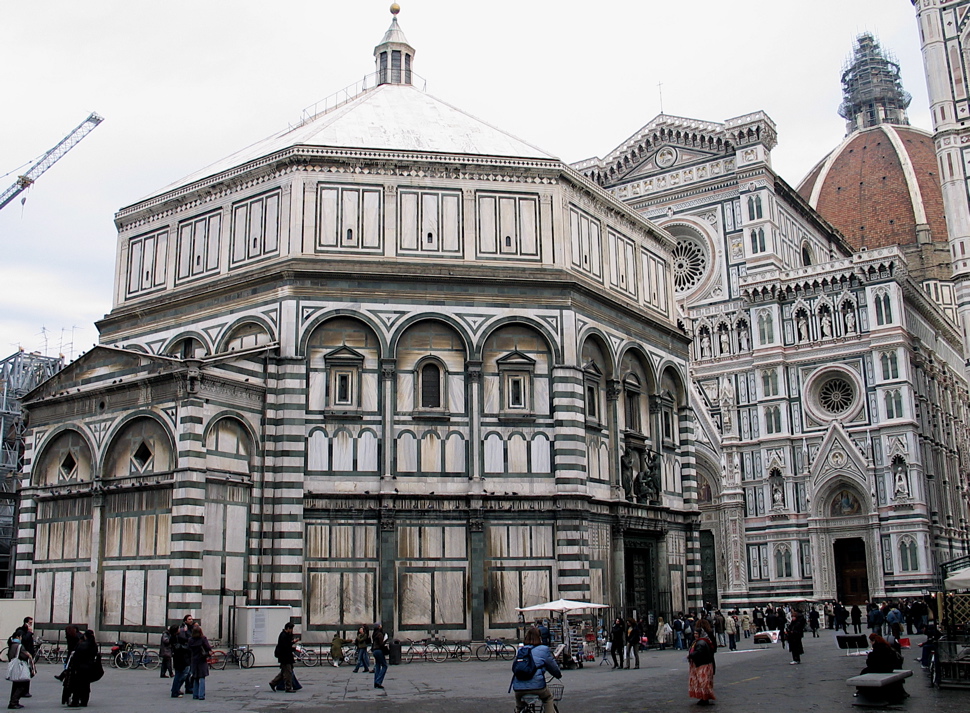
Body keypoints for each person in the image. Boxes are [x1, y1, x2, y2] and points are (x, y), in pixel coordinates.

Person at [511, 627, 562, 713]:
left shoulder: (521, 650)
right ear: (539, 637)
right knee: (548, 698)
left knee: (519, 703)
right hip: (538, 687)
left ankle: (519, 709)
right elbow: (552, 666)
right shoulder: (543, 649)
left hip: (518, 688)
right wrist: (558, 675)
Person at [860, 634, 907, 703]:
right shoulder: (888, 647)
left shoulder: (877, 649)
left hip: (881, 669)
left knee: (864, 672)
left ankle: (864, 692)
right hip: (889, 668)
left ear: (873, 641)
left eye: (871, 642)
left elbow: (871, 663)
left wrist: (870, 656)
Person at [66, 630, 98, 708]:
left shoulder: (82, 645)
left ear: (85, 636)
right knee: (86, 685)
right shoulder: (94, 645)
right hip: (89, 667)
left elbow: (76, 657)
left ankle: (75, 701)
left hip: (80, 667)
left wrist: (74, 667)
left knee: (77, 685)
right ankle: (84, 701)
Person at [688, 618, 716, 705]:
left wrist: (692, 655)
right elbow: (714, 648)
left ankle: (704, 697)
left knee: (702, 680)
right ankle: (705, 696)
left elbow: (699, 651)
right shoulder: (709, 637)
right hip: (708, 661)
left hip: (702, 662)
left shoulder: (701, 641)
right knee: (705, 680)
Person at [6, 628, 33, 710]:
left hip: (14, 666)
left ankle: (14, 701)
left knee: (15, 685)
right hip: (19, 667)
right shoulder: (19, 646)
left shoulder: (12, 644)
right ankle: (13, 702)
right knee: (21, 685)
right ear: (19, 637)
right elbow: (24, 656)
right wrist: (28, 655)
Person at [270, 622, 298, 693]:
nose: (292, 631)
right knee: (288, 673)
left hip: (285, 657)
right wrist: (294, 648)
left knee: (284, 672)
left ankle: (273, 683)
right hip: (285, 657)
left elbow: (287, 644)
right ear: (288, 628)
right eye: (291, 629)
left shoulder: (285, 635)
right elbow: (286, 647)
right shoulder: (283, 636)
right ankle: (288, 687)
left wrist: (293, 642)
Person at [187, 625, 212, 700]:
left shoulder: (190, 640)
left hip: (194, 659)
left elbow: (188, 649)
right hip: (202, 659)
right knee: (202, 678)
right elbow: (208, 647)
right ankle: (201, 695)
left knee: (195, 677)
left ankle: (195, 694)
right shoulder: (203, 639)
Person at [170, 625, 190, 698]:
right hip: (180, 658)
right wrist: (186, 632)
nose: (180, 630)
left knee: (179, 674)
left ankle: (175, 689)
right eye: (178, 629)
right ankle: (175, 691)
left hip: (178, 658)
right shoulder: (176, 638)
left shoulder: (175, 637)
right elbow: (187, 640)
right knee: (180, 675)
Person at [371, 623, 389, 689]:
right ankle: (378, 681)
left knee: (378, 666)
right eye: (380, 625)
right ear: (379, 627)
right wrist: (385, 640)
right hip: (379, 651)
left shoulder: (374, 634)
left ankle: (376, 682)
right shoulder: (380, 634)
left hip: (375, 651)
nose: (381, 626)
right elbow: (381, 644)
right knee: (384, 665)